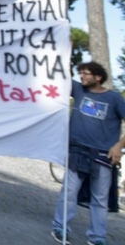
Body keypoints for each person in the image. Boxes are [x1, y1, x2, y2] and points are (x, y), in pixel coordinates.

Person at [51, 62, 125, 245]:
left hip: (102, 156)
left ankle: (97, 237)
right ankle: (60, 227)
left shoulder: (115, 99)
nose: (82, 76)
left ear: (98, 77)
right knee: (69, 192)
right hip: (76, 151)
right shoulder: (78, 90)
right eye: (80, 73)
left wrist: (119, 146)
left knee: (100, 199)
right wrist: (65, 46)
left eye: (86, 73)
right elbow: (60, 74)